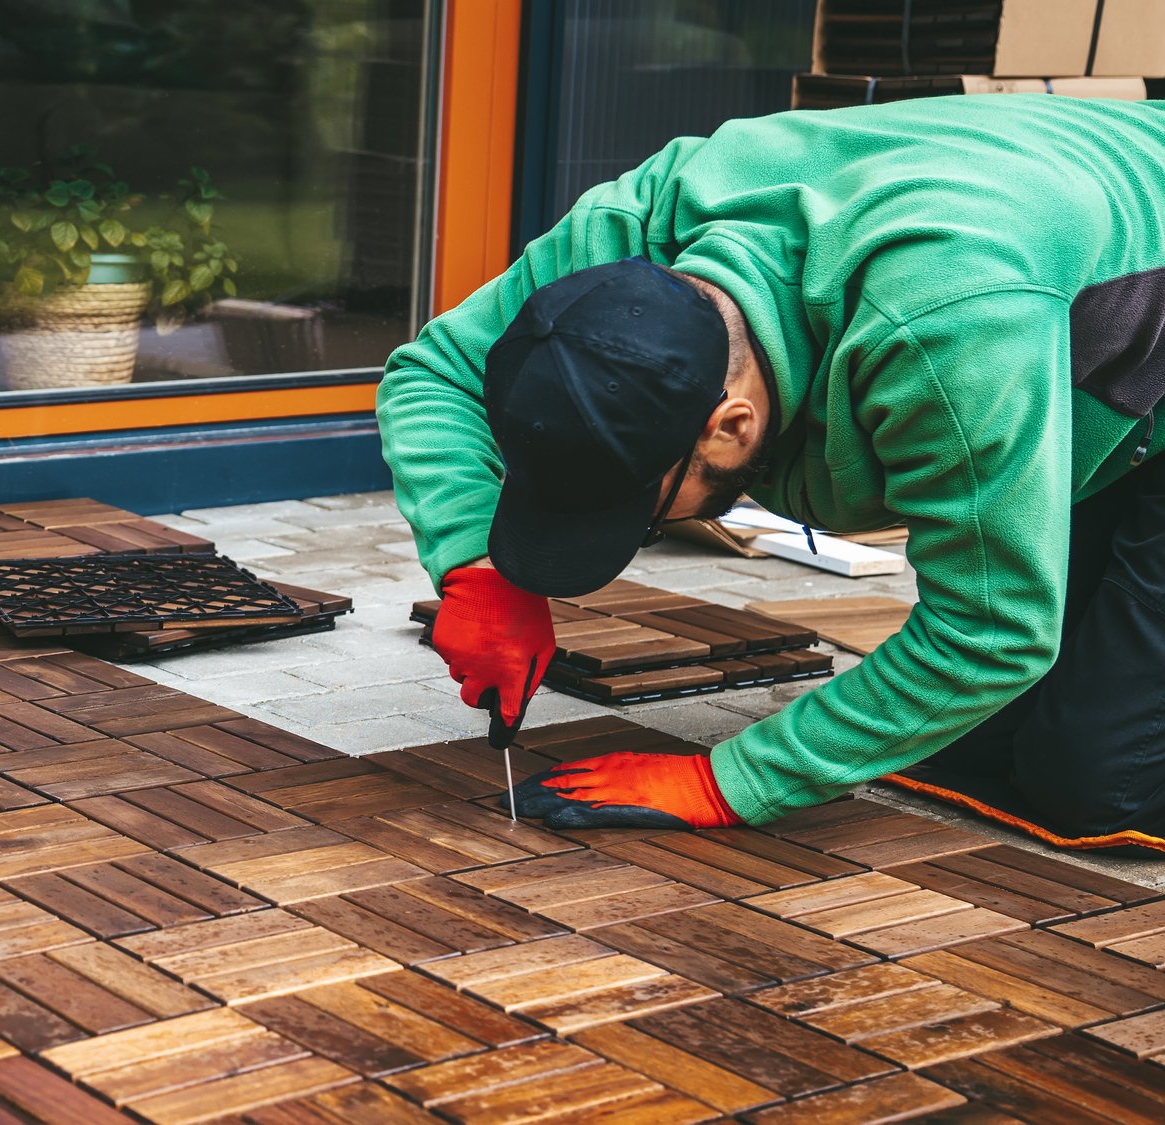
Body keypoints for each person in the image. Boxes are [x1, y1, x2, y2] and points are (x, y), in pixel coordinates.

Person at [377, 94, 1165, 837]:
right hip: (1076, 305)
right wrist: (479, 565)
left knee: (1097, 783)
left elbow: (993, 634)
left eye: (639, 513)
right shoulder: (630, 238)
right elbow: (432, 372)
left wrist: (726, 785)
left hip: (1048, 292)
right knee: (975, 742)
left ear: (730, 426)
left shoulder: (945, 339)